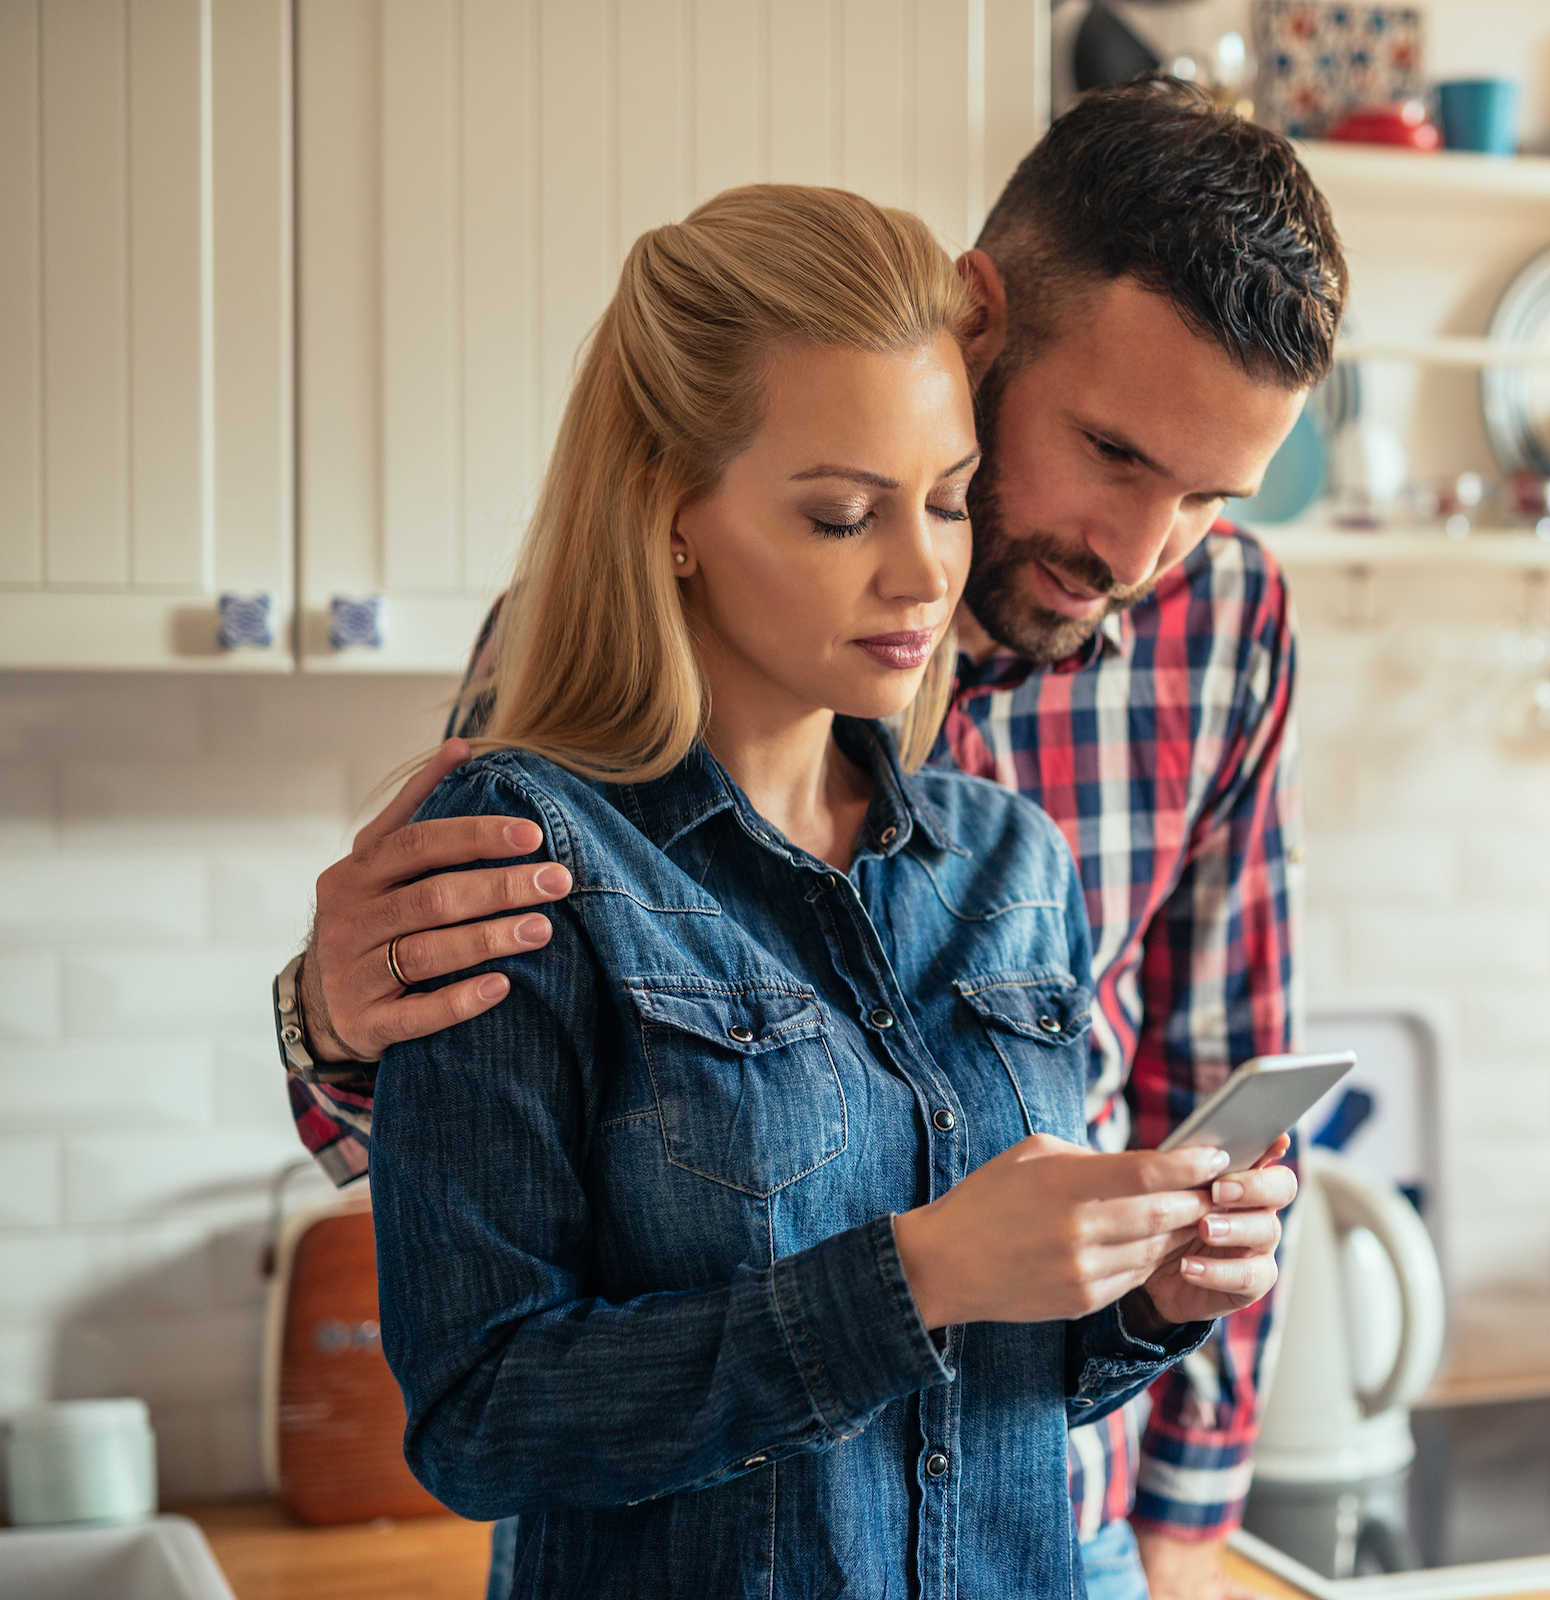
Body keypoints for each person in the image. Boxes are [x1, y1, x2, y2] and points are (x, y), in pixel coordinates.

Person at [272, 78, 1346, 1600]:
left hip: (1060, 1527)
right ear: (983, 322)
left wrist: (1181, 1457)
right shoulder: (572, 735)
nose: (1138, 551)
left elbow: (1209, 1060)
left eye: (1207, 498)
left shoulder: (1174, 678)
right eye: (1112, 452)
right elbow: (456, 1193)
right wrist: (322, 1020)